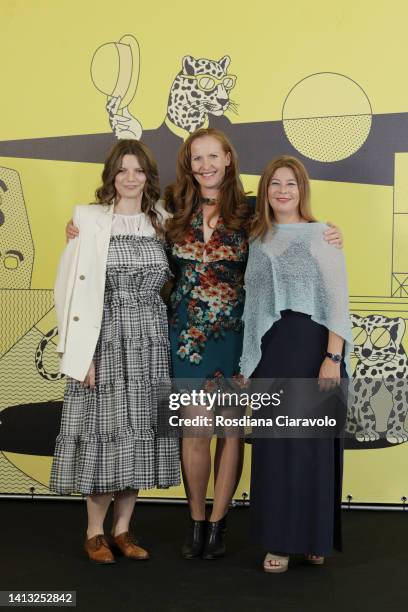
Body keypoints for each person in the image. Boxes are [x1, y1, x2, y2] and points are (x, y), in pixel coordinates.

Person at [65, 130, 344, 561]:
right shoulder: (171, 207)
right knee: (195, 430)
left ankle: (219, 524)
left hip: (238, 335)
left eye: (214, 156)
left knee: (229, 432)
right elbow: (121, 219)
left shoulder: (252, 210)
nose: (206, 165)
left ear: (229, 159)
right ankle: (196, 521)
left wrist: (326, 234)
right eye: (198, 158)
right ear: (189, 163)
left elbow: (292, 233)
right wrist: (82, 228)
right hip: (186, 334)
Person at [50, 139, 180, 564]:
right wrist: (79, 353)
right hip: (103, 340)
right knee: (104, 437)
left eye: (138, 170)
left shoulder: (163, 219)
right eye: (122, 170)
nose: (130, 178)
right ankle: (94, 533)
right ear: (111, 176)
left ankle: (123, 531)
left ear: (148, 177)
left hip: (151, 342)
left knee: (138, 435)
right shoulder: (87, 218)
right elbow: (68, 288)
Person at [240, 155, 352, 573]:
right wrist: (250, 362)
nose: (283, 190)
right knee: (275, 449)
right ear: (265, 192)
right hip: (273, 350)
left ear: (302, 189)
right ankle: (280, 542)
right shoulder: (258, 238)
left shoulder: (324, 235)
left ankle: (313, 537)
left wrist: (332, 357)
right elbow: (254, 306)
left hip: (314, 348)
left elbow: (337, 300)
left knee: (313, 448)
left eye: (290, 183)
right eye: (274, 184)